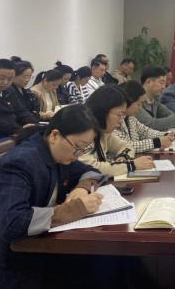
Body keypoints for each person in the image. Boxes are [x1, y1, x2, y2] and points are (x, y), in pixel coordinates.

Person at [0, 105, 105, 288]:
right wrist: (76, 208)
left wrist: (82, 189)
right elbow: (12, 222)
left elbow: (92, 172)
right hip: (17, 263)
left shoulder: (58, 154)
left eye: (83, 150)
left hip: (44, 248)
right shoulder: (21, 162)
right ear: (55, 135)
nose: (78, 156)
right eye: (77, 147)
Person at [81, 85, 154, 176]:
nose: (120, 121)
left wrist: (123, 157)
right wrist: (131, 165)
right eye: (119, 115)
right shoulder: (81, 132)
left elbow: (127, 146)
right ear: (103, 110)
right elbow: (93, 168)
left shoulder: (103, 132)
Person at [114, 80, 175, 153]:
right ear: (128, 102)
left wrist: (166, 135)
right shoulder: (114, 120)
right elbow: (126, 146)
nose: (140, 107)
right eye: (138, 104)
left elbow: (145, 131)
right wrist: (157, 142)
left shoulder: (130, 117)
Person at [135, 65, 175, 131]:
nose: (164, 87)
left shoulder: (155, 99)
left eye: (165, 84)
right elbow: (151, 124)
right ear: (149, 82)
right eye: (161, 83)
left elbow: (171, 115)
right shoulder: (135, 100)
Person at [6, 57, 40, 126]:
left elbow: (33, 111)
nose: (28, 80)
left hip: (29, 123)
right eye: (25, 76)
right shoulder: (9, 91)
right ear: (14, 75)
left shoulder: (27, 92)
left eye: (30, 76)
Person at [0, 59, 20, 138]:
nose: (5, 82)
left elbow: (21, 110)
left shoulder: (10, 90)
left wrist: (33, 123)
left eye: (10, 79)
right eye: (1, 78)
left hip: (12, 131)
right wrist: (20, 129)